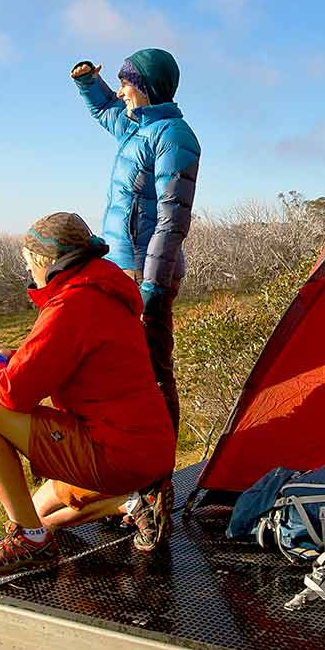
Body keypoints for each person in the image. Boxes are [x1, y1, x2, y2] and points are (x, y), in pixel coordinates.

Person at [0, 212, 178, 575]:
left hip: (114, 452)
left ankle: (28, 542)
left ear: (47, 262)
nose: (30, 273)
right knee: (41, 513)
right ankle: (133, 502)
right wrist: (13, 358)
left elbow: (15, 393)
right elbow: (69, 359)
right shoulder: (103, 293)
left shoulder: (71, 305)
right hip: (148, 449)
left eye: (30, 264)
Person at [69, 49, 201, 434]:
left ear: (147, 87)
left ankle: (158, 479)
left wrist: (152, 287)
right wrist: (88, 83)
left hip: (147, 270)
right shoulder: (135, 128)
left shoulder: (174, 136)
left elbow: (172, 219)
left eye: (128, 83)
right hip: (122, 266)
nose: (122, 90)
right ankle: (132, 462)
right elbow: (105, 108)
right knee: (124, 370)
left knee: (153, 370)